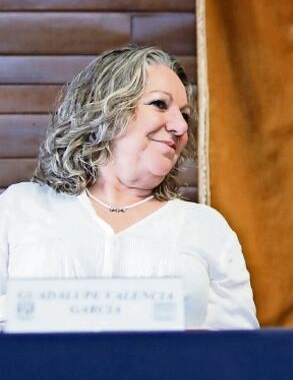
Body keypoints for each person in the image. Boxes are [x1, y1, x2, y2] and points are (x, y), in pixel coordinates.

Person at [0, 46, 258, 329]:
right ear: (107, 108)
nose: (180, 127)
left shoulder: (207, 227)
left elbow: (238, 353)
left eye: (185, 115)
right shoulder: (19, 208)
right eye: (160, 104)